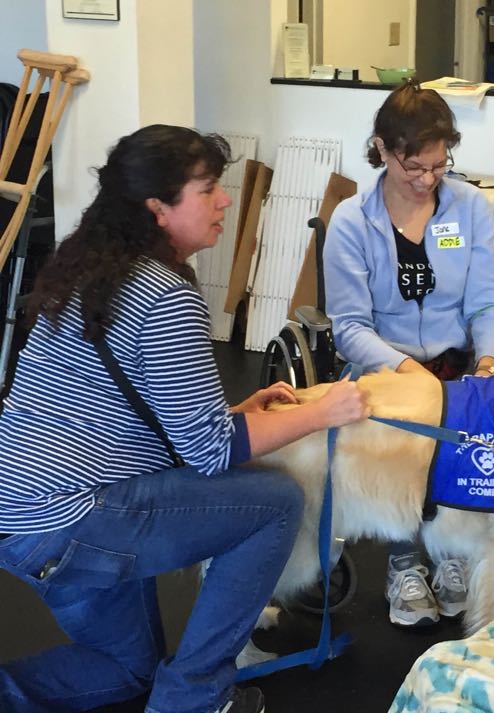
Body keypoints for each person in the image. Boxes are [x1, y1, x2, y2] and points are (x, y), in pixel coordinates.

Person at [0, 125, 369, 713]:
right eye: (207, 189)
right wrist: (324, 411)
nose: (225, 200)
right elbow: (212, 454)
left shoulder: (87, 273)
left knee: (127, 672)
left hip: (21, 517)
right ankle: (194, 698)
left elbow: (124, 412)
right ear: (158, 209)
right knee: (275, 503)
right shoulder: (165, 293)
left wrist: (231, 414)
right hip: (74, 519)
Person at [323, 81, 494, 628]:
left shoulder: (469, 206)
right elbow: (350, 327)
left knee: (475, 425)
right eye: (415, 167)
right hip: (386, 364)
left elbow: (487, 301)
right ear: (382, 149)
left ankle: (452, 554)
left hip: (458, 358)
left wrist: (489, 363)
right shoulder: (353, 222)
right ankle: (403, 562)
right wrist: (408, 373)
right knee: (405, 434)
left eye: (439, 166)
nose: (429, 180)